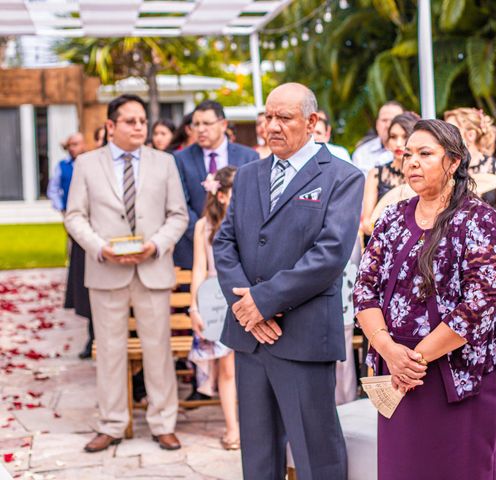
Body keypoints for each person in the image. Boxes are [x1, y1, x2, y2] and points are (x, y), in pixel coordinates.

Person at [214, 82, 364, 480]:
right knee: (258, 455)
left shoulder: (343, 177)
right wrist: (246, 309)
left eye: (284, 118)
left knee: (316, 453)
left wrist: (262, 301)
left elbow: (329, 255)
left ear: (312, 122)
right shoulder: (247, 176)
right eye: (268, 117)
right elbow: (225, 242)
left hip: (303, 336)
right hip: (250, 337)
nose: (272, 126)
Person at [353, 118, 496, 480]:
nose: (412, 163)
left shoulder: (481, 220)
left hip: (457, 375)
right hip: (398, 374)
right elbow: (365, 290)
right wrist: (391, 352)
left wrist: (416, 360)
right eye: (408, 155)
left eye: (425, 154)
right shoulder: (391, 217)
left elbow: (478, 307)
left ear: (453, 162)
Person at [64, 94, 188, 453]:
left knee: (158, 350)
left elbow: (178, 214)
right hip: (106, 271)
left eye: (142, 121)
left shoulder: (164, 162)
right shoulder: (87, 164)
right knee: (110, 351)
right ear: (110, 126)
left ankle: (164, 423)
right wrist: (99, 247)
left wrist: (157, 245)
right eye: (130, 121)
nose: (139, 127)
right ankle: (112, 423)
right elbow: (75, 216)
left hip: (153, 268)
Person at [188, 166, 240, 449]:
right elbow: (199, 268)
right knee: (227, 367)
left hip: (243, 298)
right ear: (220, 195)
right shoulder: (203, 226)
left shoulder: (250, 221)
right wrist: (194, 308)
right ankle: (232, 428)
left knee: (246, 367)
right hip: (214, 300)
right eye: (236, 193)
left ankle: (252, 425)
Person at [173, 100, 259, 270]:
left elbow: (253, 202)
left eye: (207, 123)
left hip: (240, 247)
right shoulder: (180, 159)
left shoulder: (248, 157)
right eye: (196, 124)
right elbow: (180, 202)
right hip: (192, 248)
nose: (201, 129)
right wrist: (201, 234)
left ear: (223, 124)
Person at [47, 133, 94, 359]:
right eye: (71, 145)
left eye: (77, 144)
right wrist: (64, 211)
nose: (74, 148)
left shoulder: (92, 163)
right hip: (74, 220)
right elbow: (53, 189)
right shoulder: (62, 167)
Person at [445, 107, 496, 223]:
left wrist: (481, 224)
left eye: (450, 131)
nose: (444, 136)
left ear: (470, 135)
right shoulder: (445, 167)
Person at [361, 112, 420, 237]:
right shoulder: (376, 174)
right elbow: (366, 222)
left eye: (405, 136)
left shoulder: (423, 174)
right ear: (387, 141)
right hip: (382, 241)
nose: (398, 143)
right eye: (393, 137)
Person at [352, 101, 404, 174]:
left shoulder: (412, 151)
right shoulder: (361, 154)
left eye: (393, 120)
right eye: (384, 120)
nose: (388, 125)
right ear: (377, 124)